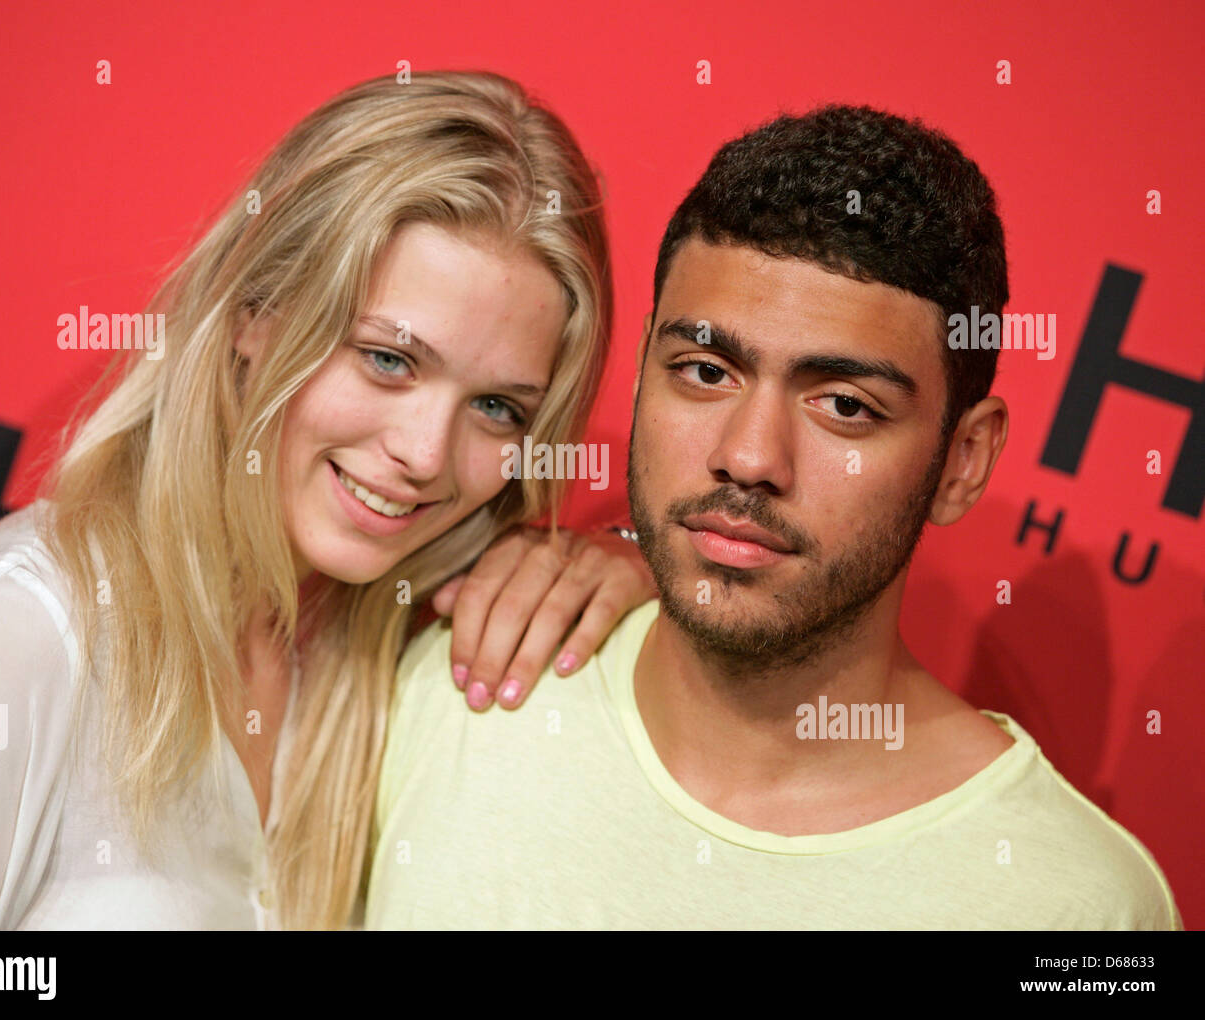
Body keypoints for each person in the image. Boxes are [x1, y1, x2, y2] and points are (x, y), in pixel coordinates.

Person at [363, 104, 1181, 929]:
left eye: (844, 406)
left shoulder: (1081, 908)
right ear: (645, 371)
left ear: (961, 461)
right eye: (707, 371)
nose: (751, 457)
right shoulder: (451, 684)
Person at [0, 70, 655, 930]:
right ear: (253, 314)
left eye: (497, 408)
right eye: (388, 358)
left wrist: (634, 556)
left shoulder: (400, 666)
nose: (424, 454)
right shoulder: (23, 634)